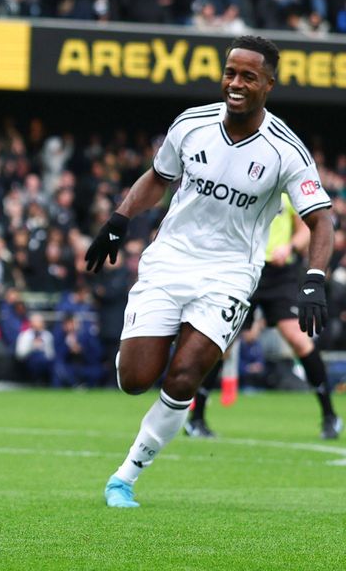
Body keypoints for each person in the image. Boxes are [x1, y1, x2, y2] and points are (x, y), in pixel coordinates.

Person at [86, 35, 333, 509]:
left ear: (268, 85)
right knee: (135, 379)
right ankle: (151, 342)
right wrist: (119, 220)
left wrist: (315, 277)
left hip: (229, 275)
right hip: (170, 260)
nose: (235, 83)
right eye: (230, 73)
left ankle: (125, 477)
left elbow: (321, 218)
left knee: (183, 378)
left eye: (248, 76)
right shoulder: (192, 124)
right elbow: (159, 177)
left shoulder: (286, 150)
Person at [186, 195, 341, 440]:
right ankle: (196, 419)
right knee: (222, 344)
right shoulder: (244, 187)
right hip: (244, 270)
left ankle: (330, 416)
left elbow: (304, 228)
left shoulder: (289, 191)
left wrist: (289, 246)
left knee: (299, 339)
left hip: (280, 274)